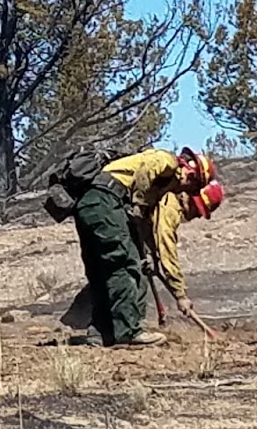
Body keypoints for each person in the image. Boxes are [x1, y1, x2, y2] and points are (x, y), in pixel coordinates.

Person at [57, 145, 216, 347]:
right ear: (191, 174)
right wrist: (180, 294)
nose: (185, 191)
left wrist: (150, 254)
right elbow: (145, 173)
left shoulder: (159, 188)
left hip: (90, 203)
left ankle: (101, 333)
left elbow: (148, 228)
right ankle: (128, 331)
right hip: (106, 200)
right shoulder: (166, 161)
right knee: (124, 266)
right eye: (191, 187)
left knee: (102, 270)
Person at [148, 179, 227, 323]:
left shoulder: (169, 199)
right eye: (197, 210)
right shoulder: (170, 206)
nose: (195, 216)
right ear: (190, 198)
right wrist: (180, 295)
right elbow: (167, 249)